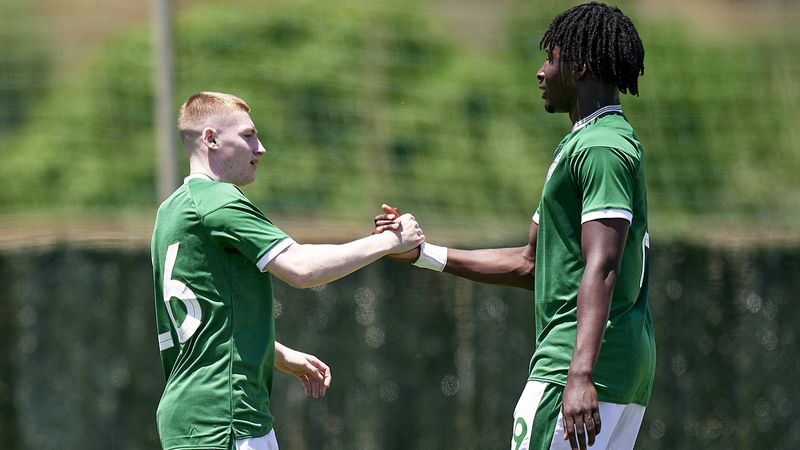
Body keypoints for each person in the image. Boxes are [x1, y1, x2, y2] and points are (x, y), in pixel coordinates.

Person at [375, 3, 654, 450]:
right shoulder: (586, 142)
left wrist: (578, 375)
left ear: (580, 67)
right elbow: (529, 263)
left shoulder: (601, 147)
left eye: (552, 59)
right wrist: (424, 254)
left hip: (580, 366)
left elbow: (602, 266)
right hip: (616, 367)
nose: (541, 72)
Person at [151, 91, 424, 450]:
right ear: (211, 139)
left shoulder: (169, 212)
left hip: (191, 417)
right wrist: (391, 241)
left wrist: (275, 353)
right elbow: (301, 268)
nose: (260, 148)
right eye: (248, 136)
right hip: (225, 419)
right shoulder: (219, 201)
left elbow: (206, 314)